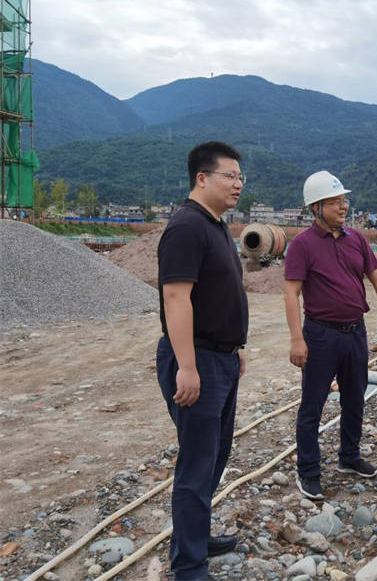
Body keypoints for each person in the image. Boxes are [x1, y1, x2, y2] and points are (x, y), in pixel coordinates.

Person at [156, 141, 248, 581]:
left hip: (221, 359)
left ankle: (196, 535)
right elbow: (176, 297)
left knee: (214, 457)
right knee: (196, 464)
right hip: (197, 361)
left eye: (241, 177)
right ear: (202, 178)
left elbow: (218, 294)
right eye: (230, 175)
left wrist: (235, 348)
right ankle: (189, 567)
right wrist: (187, 366)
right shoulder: (187, 226)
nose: (238, 184)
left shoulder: (217, 226)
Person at [284, 171, 377, 500]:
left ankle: (349, 457)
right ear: (316, 207)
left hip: (355, 332)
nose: (343, 207)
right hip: (320, 335)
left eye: (344, 200)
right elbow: (291, 292)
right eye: (335, 202)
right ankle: (308, 471)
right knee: (312, 405)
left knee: (354, 399)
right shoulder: (302, 245)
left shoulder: (357, 240)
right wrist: (296, 339)